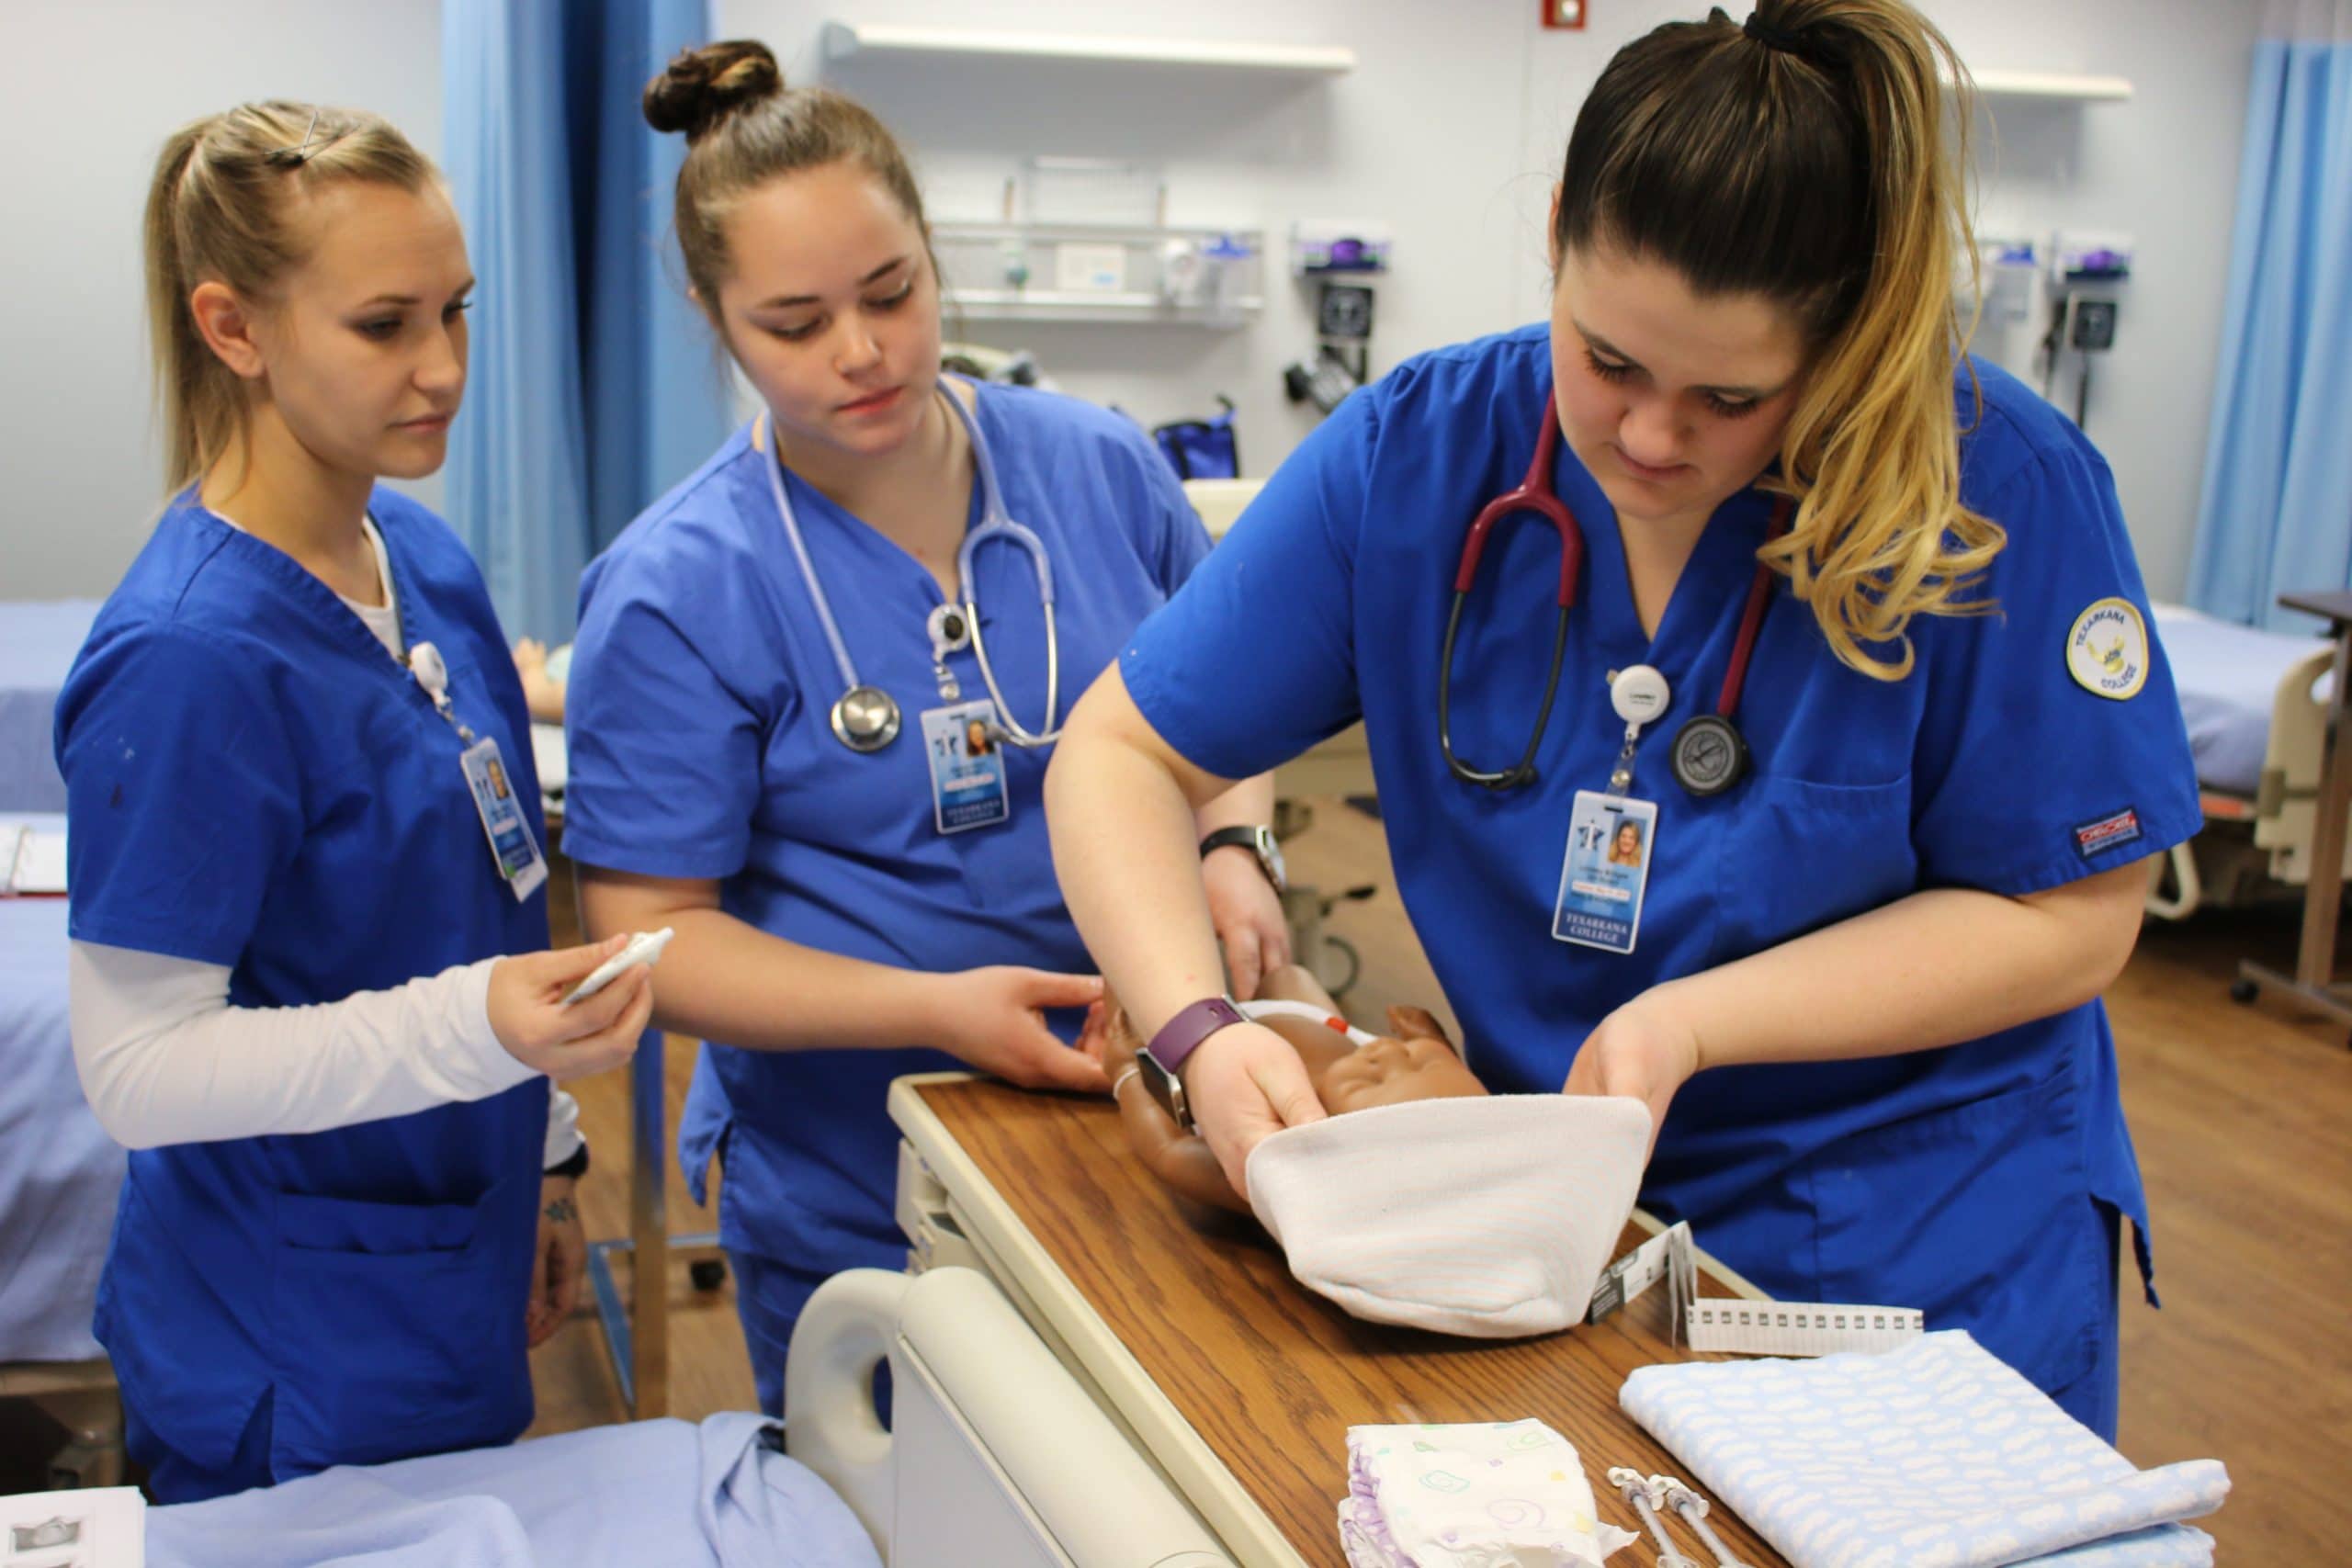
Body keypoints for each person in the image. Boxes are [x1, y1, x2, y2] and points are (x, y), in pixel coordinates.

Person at [1046, 0, 2198, 1438]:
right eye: (1607, 362)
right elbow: (1124, 753)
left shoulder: (1992, 491)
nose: (1651, 439)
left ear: (1834, 336)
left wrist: (1687, 1025)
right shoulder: (1419, 460)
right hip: (1544, 1235)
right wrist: (1201, 1031)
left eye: (1730, 396)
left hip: (1920, 1251)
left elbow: (2077, 913)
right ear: (1553, 236)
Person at [560, 41, 1288, 1415]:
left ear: (932, 260)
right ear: (717, 320)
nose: (862, 350)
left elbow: (1220, 708)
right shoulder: (680, 586)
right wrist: (937, 1012)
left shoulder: (1100, 467)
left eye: (892, 293)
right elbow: (649, 938)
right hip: (863, 1172)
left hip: (1150, 1122)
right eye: (794, 322)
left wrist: (1237, 839)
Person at [56, 100, 652, 1502]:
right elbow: (138, 1073)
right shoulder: (190, 660)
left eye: (455, 310)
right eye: (384, 326)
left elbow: (483, 895)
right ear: (235, 328)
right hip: (285, 1337)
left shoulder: (422, 559)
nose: (442, 366)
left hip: (452, 1246)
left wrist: (551, 1159)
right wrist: (477, 1030)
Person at [1097, 967, 1480, 1217]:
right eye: (1419, 1061)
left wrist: (1126, 1071)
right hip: (1322, 1023)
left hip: (1195, 1054)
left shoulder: (1275, 1169)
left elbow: (1167, 1152)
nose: (1390, 1053)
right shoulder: (1463, 1119)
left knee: (1131, 985)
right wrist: (1429, 1038)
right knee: (1288, 974)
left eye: (1374, 1080)